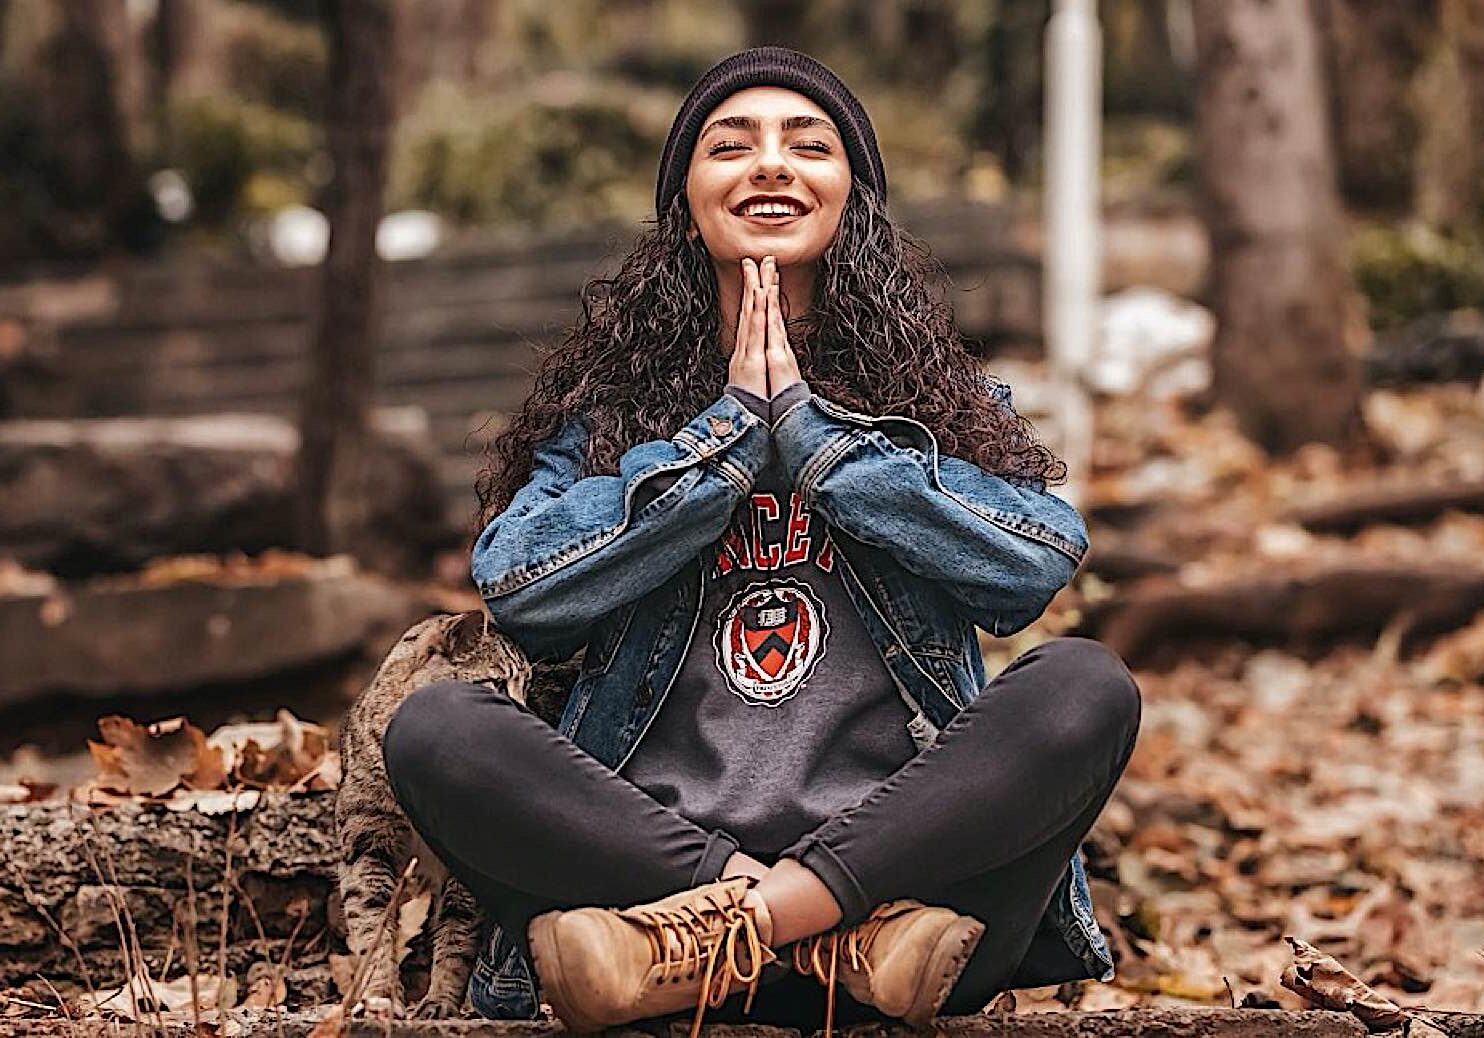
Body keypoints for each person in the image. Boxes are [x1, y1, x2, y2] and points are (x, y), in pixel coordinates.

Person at [382, 46, 1141, 1038]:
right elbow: (520, 588)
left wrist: (818, 443)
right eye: (730, 145)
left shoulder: (937, 405)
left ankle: (771, 924)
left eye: (807, 144)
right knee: (437, 729)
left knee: (1087, 688)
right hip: (641, 892)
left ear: (851, 197)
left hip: (909, 911)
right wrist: (726, 440)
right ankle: (774, 928)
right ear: (686, 202)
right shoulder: (609, 416)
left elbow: (1033, 562)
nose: (771, 165)